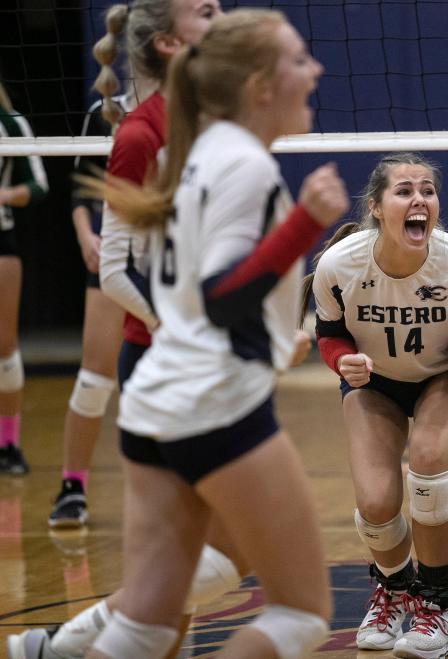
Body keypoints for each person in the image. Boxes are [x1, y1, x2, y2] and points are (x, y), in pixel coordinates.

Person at [6, 2, 276, 658]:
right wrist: (188, 327)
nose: (221, 15)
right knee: (216, 551)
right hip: (166, 360)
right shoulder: (138, 132)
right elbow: (116, 272)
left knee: (203, 555)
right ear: (167, 41)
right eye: (205, 10)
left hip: (215, 359)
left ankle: (56, 645)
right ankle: (64, 635)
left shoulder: (217, 123)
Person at [82, 9, 345, 659]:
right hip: (214, 400)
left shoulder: (189, 153)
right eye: (298, 60)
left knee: (146, 621)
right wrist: (304, 224)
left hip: (154, 398)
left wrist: (277, 330)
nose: (315, 72)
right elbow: (222, 296)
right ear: (259, 85)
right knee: (301, 611)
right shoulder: (241, 167)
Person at [304, 152, 448, 657]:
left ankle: (436, 607)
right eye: (405, 190)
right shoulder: (339, 267)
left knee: (428, 457)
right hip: (377, 384)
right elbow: (329, 336)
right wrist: (343, 362)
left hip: (444, 380)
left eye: (427, 191)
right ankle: (395, 590)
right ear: (376, 207)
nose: (419, 200)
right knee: (376, 504)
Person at [47, 62, 156, 527]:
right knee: (95, 378)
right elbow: (79, 190)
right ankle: (72, 486)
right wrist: (84, 237)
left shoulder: (197, 111)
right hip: (116, 255)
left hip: (166, 262)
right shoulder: (106, 114)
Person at [0, 80, 48, 475]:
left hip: (1, 238)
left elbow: (39, 184)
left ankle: (9, 444)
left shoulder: (11, 123)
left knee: (4, 343)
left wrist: (4, 195)